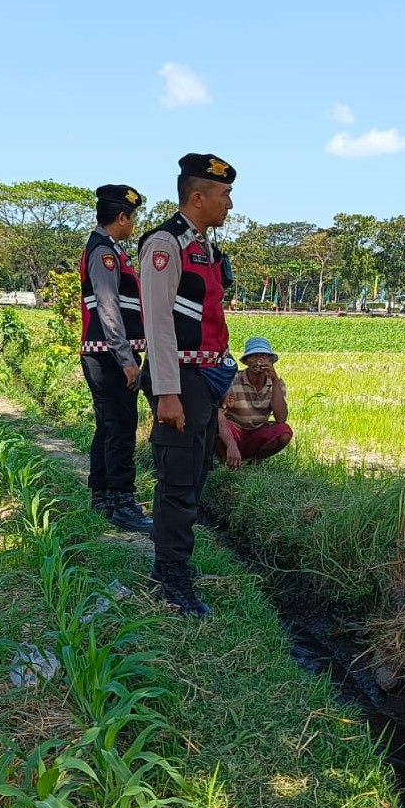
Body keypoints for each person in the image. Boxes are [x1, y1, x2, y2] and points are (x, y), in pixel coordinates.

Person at [138, 153, 239, 617]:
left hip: (203, 381)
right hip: (178, 380)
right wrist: (167, 392)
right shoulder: (166, 244)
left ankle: (176, 566)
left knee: (194, 478)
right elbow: (158, 323)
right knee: (177, 482)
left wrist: (220, 380)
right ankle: (171, 578)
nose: (229, 204)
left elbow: (209, 319)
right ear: (197, 198)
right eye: (224, 195)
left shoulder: (205, 247)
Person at [79, 184, 153, 534]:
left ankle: (103, 497)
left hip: (105, 354)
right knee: (121, 428)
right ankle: (122, 502)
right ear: (121, 217)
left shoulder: (107, 249)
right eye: (133, 217)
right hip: (109, 356)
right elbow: (109, 309)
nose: (134, 224)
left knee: (109, 426)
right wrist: (127, 360)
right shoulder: (104, 253)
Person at [216, 336, 293, 468]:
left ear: (270, 361)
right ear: (246, 361)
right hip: (234, 430)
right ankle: (227, 463)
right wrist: (231, 445)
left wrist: (275, 381)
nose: (259, 361)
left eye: (263, 356)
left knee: (284, 431)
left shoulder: (276, 383)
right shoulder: (233, 380)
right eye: (254, 356)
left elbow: (281, 419)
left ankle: (254, 463)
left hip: (258, 431)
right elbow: (218, 414)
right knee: (214, 427)